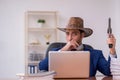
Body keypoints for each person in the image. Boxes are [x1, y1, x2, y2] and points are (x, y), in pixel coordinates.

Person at [39, 17, 117, 77]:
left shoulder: (95, 54)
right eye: (67, 33)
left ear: (82, 35)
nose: (69, 38)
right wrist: (63, 50)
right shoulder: (55, 52)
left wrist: (112, 49)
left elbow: (109, 72)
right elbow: (42, 67)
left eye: (74, 34)